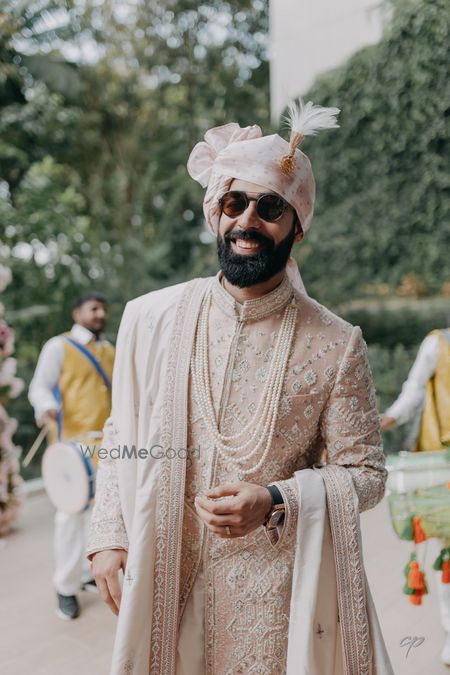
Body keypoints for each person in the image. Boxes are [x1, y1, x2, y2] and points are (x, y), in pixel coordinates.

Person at [87, 101, 394, 674]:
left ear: (297, 226)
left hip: (273, 599)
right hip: (165, 571)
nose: (248, 221)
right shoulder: (153, 318)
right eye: (235, 202)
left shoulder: (335, 342)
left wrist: (275, 499)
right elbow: (121, 428)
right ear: (216, 213)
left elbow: (367, 476)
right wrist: (108, 532)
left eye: (270, 206)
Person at [29, 292, 115, 620]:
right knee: (69, 516)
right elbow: (39, 387)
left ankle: (86, 574)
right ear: (77, 312)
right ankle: (65, 587)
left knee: (100, 514)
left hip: (107, 445)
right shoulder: (58, 346)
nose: (100, 314)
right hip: (71, 446)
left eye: (103, 309)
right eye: (93, 308)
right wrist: (46, 406)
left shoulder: (109, 349)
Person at [381, 327, 450, 664]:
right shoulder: (438, 344)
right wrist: (386, 419)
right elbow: (414, 394)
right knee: (448, 551)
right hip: (442, 465)